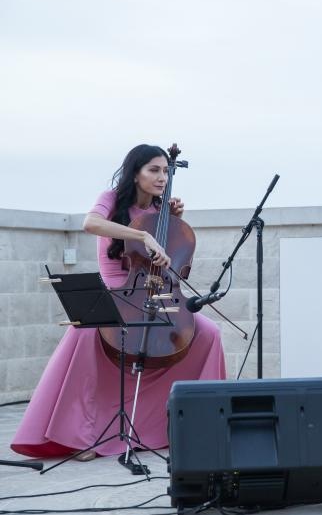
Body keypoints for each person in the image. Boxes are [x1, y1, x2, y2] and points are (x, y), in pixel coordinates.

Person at [11, 144, 226, 461]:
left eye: (165, 171)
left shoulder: (160, 211)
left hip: (153, 292)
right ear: (135, 173)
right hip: (116, 289)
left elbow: (169, 262)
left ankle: (195, 426)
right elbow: (90, 223)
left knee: (208, 333)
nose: (162, 177)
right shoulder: (110, 199)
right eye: (154, 170)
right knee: (86, 331)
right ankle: (79, 437)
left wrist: (172, 222)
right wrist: (142, 235)